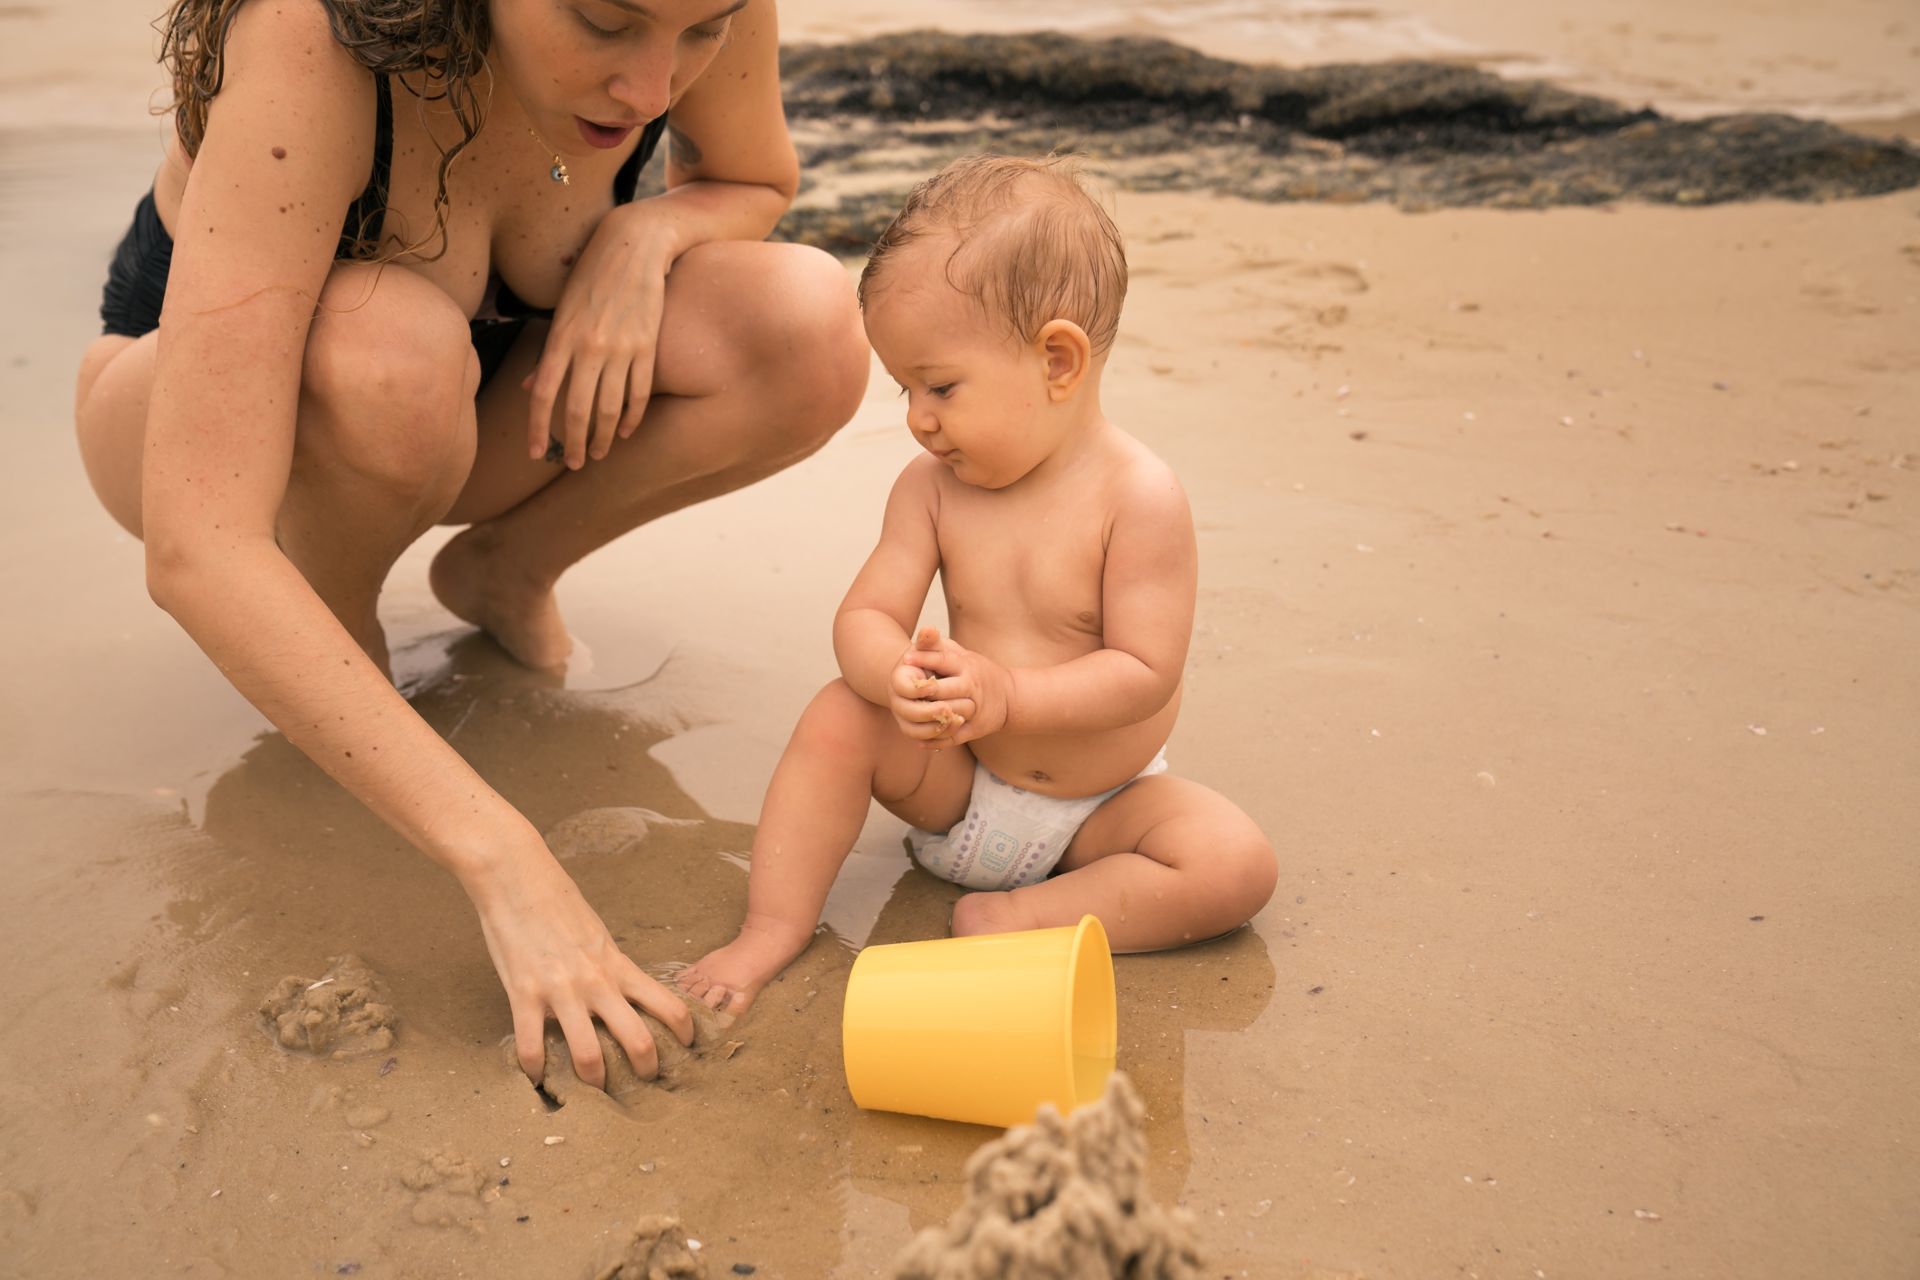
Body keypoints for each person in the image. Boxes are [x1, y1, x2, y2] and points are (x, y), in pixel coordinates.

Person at [69, 0, 869, 1090]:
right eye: (603, 21)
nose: (650, 91)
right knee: (385, 348)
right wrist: (506, 855)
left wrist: (648, 234)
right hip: (190, 409)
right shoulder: (314, 33)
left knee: (812, 325)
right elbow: (199, 541)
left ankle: (507, 566)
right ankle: (345, 668)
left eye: (699, 34)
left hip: (485, 390)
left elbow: (755, 179)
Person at [678, 154, 1277, 1015]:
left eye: (941, 386)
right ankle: (771, 927)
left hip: (1098, 818)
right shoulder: (930, 490)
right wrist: (891, 675)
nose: (918, 417)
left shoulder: (1138, 499)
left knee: (1234, 862)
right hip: (954, 789)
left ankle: (1029, 916)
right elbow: (867, 614)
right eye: (905, 388)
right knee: (839, 715)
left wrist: (1009, 693)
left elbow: (1146, 674)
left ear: (1057, 361)